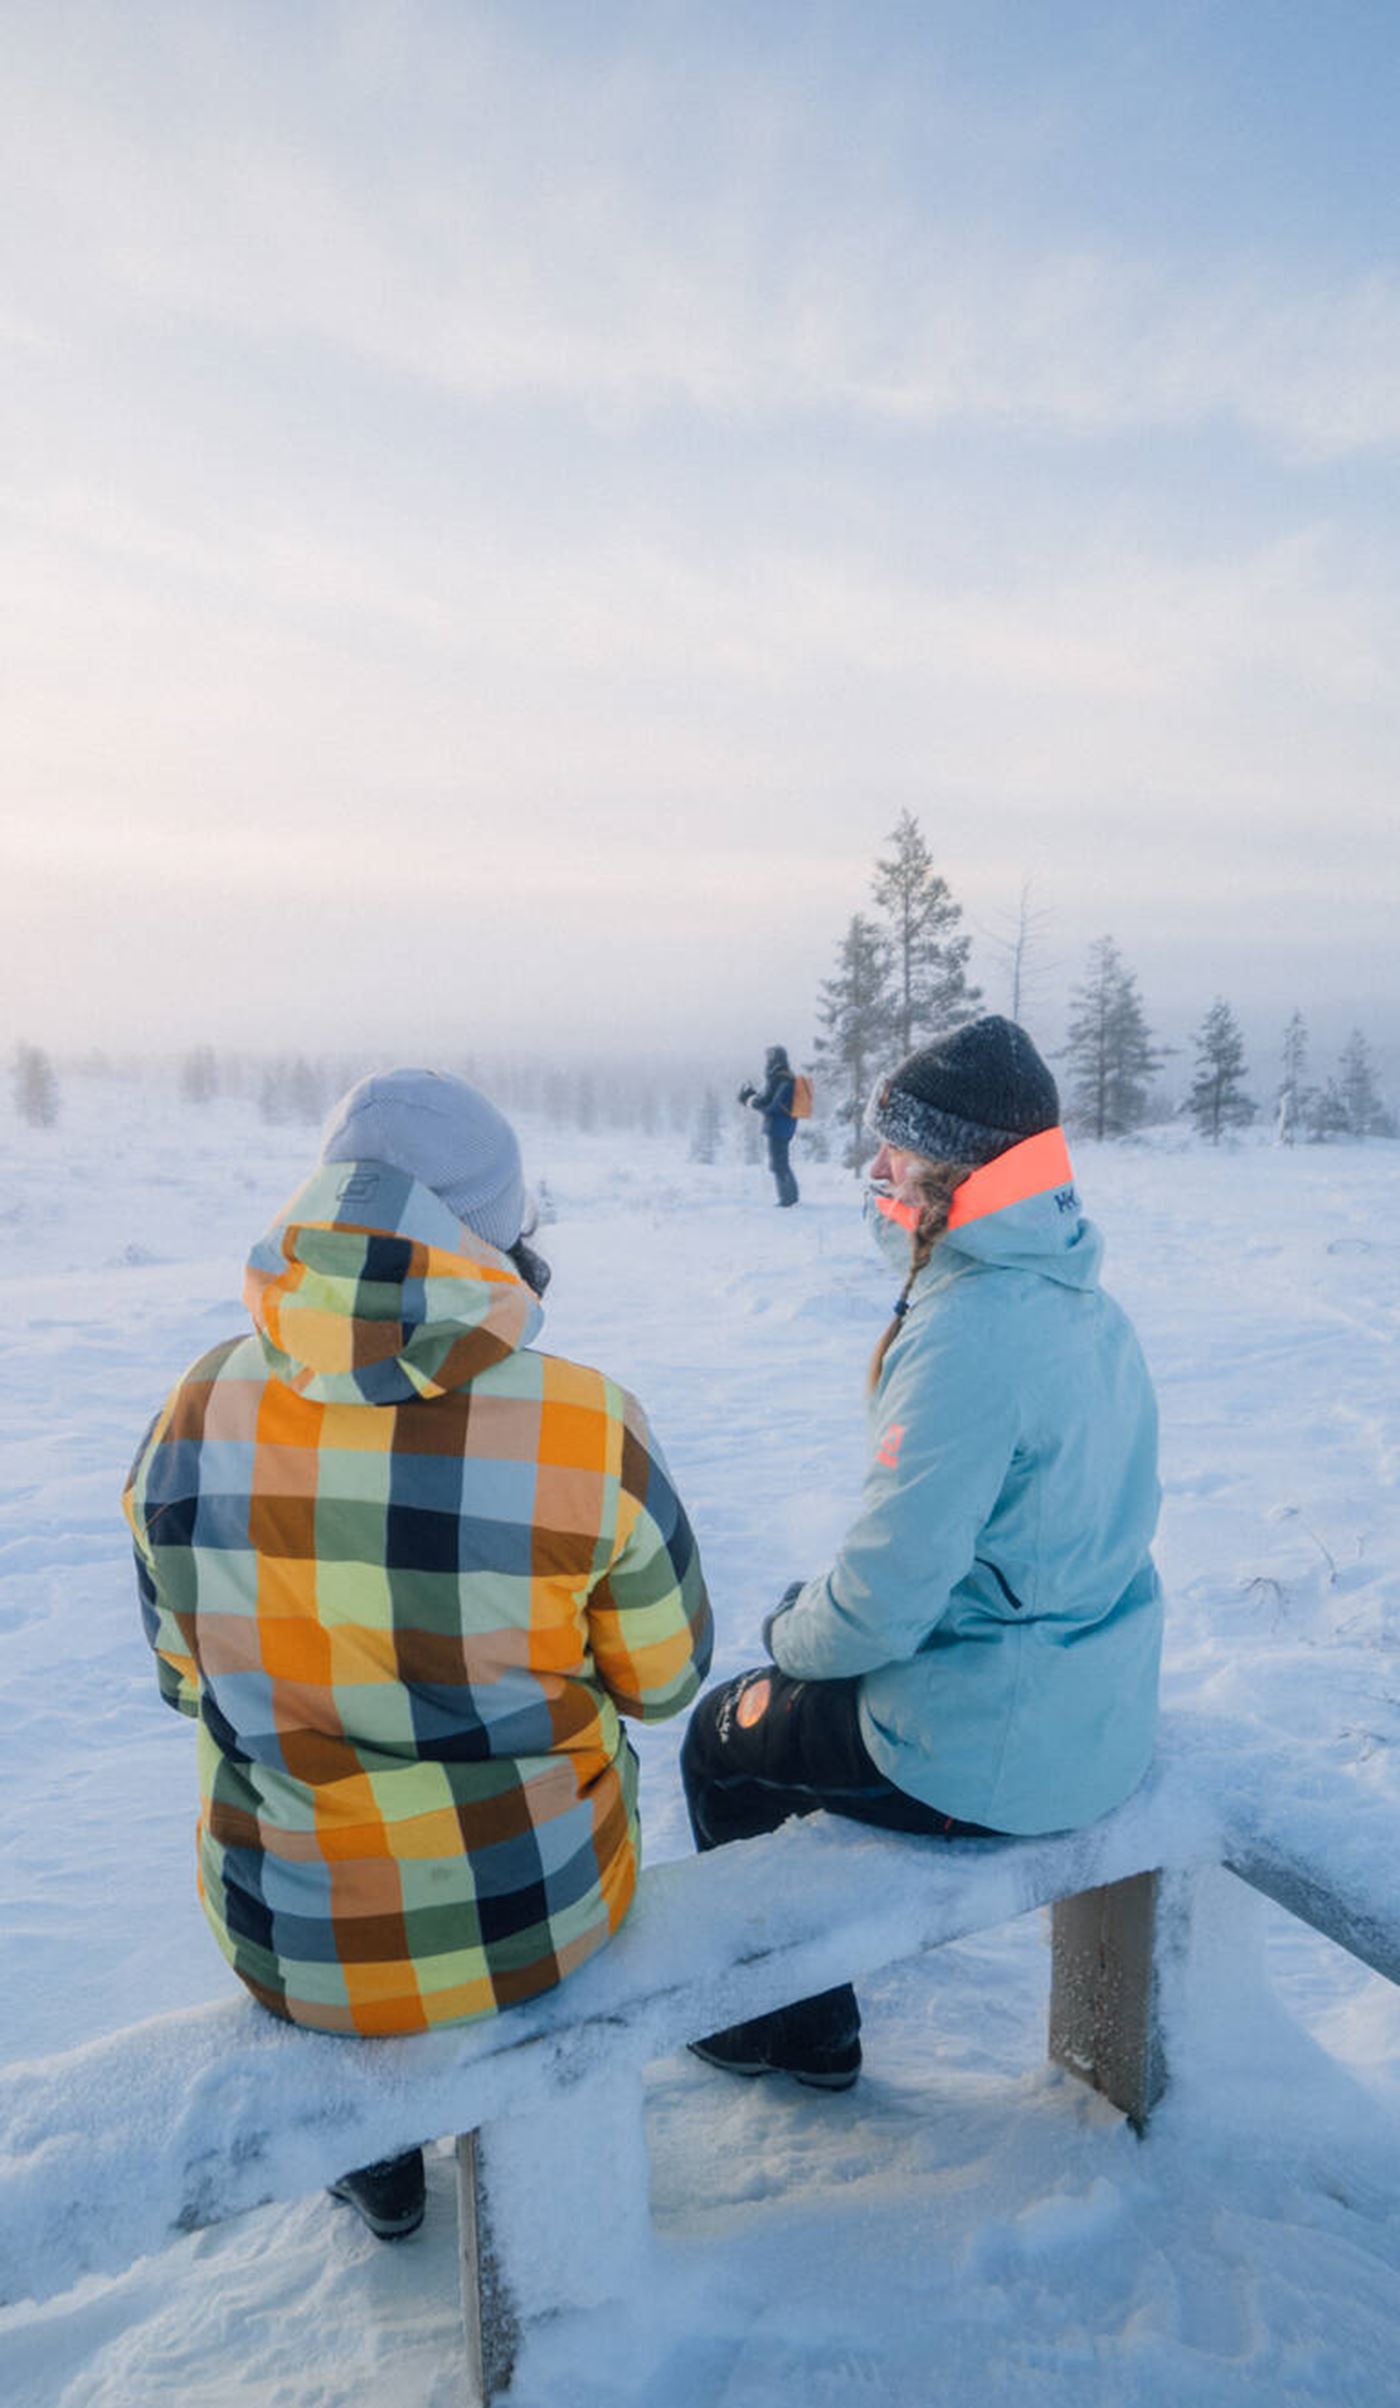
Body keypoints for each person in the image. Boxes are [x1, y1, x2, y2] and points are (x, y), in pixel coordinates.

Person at [124, 1069, 713, 2238]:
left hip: (290, 1933)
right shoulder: (589, 1424)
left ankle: (373, 2152)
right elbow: (665, 1679)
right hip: (541, 1909)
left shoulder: (193, 1408)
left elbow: (181, 1674)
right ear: (493, 1239)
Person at [682, 1016, 1162, 2090]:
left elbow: (876, 1610)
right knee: (793, 1717)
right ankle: (808, 2012)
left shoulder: (966, 1333)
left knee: (723, 1740)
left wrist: (783, 1631)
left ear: (956, 1167)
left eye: (894, 1151)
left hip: (992, 1750)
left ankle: (797, 2030)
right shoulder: (1082, 1301)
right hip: (1094, 1711)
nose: (875, 1170)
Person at [738, 1045, 800, 1207]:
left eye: (770, 1056)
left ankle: (788, 1200)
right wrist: (751, 1099)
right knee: (780, 1163)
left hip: (779, 1126)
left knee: (779, 1164)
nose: (768, 1059)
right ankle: (790, 1198)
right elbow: (767, 1100)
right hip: (783, 1125)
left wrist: (750, 1102)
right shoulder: (781, 1077)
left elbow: (772, 1105)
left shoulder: (781, 1078)